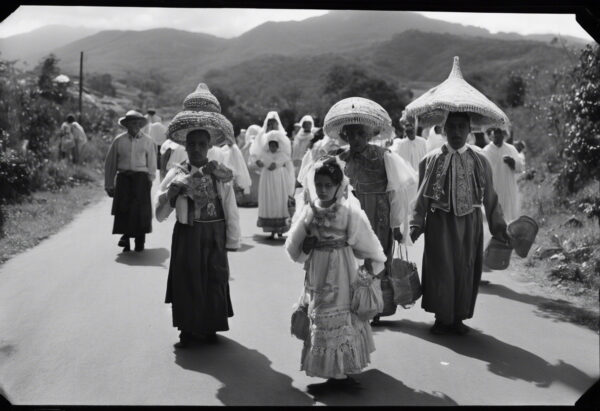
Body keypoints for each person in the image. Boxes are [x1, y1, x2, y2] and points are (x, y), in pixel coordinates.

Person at [285, 156, 386, 385]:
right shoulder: (309, 211)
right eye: (318, 184)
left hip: (342, 269)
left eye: (328, 185)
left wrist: (374, 263)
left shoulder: (349, 212)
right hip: (318, 272)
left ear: (338, 186)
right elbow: (294, 246)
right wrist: (305, 247)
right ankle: (331, 371)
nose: (322, 189)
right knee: (321, 314)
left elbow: (366, 241)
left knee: (342, 314)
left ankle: (342, 370)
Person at [410, 112, 510, 335]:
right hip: (439, 223)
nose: (456, 132)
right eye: (451, 127)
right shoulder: (431, 160)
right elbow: (422, 195)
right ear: (444, 130)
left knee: (466, 269)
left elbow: (491, 197)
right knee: (440, 268)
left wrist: (499, 227)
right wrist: (416, 223)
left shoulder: (480, 161)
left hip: (470, 224)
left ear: (469, 130)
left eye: (461, 127)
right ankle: (441, 316)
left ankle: (458, 317)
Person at [156, 82, 239, 348]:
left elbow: (230, 207)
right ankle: (188, 328)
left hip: (214, 234)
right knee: (187, 279)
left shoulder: (220, 173)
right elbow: (159, 213)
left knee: (214, 278)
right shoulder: (176, 173)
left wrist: (232, 240)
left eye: (202, 144)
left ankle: (210, 326)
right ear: (186, 145)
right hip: (187, 234)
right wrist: (173, 193)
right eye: (192, 144)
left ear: (209, 146)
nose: (197, 148)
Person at [324, 97, 417, 325]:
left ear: (369, 135)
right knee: (351, 257)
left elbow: (397, 191)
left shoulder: (385, 157)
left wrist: (396, 224)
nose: (355, 139)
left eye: (360, 134)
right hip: (352, 216)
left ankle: (374, 307)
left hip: (379, 215)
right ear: (345, 136)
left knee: (376, 257)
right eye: (351, 134)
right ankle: (354, 304)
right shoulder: (340, 160)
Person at [104, 110, 156, 252]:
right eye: (131, 123)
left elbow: (152, 162)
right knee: (124, 209)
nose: (135, 125)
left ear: (141, 124)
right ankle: (125, 240)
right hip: (124, 178)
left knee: (140, 211)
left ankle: (140, 241)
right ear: (126, 125)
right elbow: (111, 163)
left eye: (137, 123)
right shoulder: (119, 141)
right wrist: (109, 184)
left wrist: (150, 179)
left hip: (141, 179)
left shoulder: (148, 141)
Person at [254, 130, 296, 238]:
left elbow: (288, 169)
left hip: (279, 180)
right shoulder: (264, 154)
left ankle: (281, 229)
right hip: (267, 179)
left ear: (278, 146)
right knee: (269, 201)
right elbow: (258, 161)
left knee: (279, 200)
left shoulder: (282, 155)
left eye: (274, 145)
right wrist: (259, 163)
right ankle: (272, 231)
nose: (272, 147)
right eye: (270, 145)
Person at [482, 127, 524, 222]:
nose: (497, 135)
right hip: (494, 188)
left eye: (500, 133)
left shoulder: (511, 149)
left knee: (509, 216)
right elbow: (481, 171)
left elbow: (520, 167)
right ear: (491, 135)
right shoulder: (486, 151)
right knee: (495, 215)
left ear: (504, 135)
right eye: (495, 133)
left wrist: (512, 162)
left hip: (508, 187)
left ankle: (508, 233)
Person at [239, 124, 262, 206]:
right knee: (253, 184)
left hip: (251, 166)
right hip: (252, 167)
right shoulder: (256, 144)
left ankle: (252, 199)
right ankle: (254, 199)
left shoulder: (249, 144)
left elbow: (242, 153)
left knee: (253, 184)